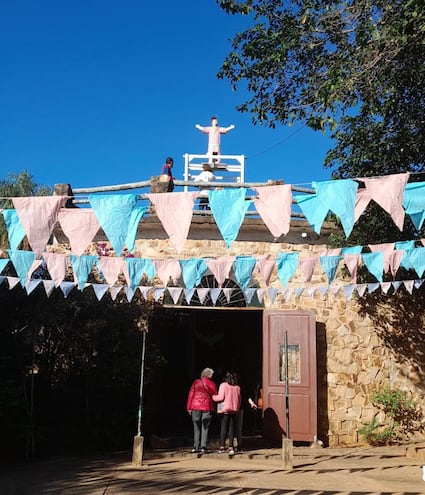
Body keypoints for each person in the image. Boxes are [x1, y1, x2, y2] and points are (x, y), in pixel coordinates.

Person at [186, 367, 217, 454]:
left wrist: (188, 407)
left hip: (195, 406)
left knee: (196, 427)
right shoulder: (212, 384)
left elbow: (191, 394)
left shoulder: (196, 382)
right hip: (207, 407)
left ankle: (196, 446)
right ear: (209, 375)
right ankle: (203, 446)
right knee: (205, 427)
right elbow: (215, 395)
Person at [213, 371, 241, 455]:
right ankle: (231, 447)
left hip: (225, 410)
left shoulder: (223, 385)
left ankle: (222, 446)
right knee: (231, 429)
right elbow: (239, 400)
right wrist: (237, 408)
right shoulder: (237, 387)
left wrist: (213, 397)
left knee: (224, 428)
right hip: (234, 410)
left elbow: (220, 397)